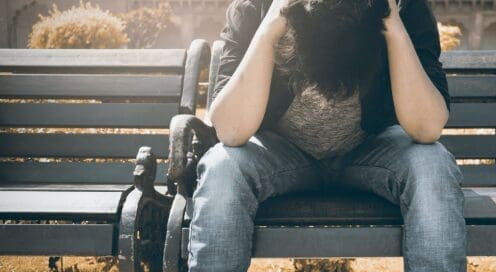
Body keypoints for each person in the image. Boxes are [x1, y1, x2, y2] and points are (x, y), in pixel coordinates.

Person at [188, 0, 466, 271]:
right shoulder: (254, 7)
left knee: (432, 165)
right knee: (222, 168)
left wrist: (394, 27)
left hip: (370, 151)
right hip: (282, 155)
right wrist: (270, 28)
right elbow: (230, 130)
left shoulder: (405, 7)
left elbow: (427, 128)